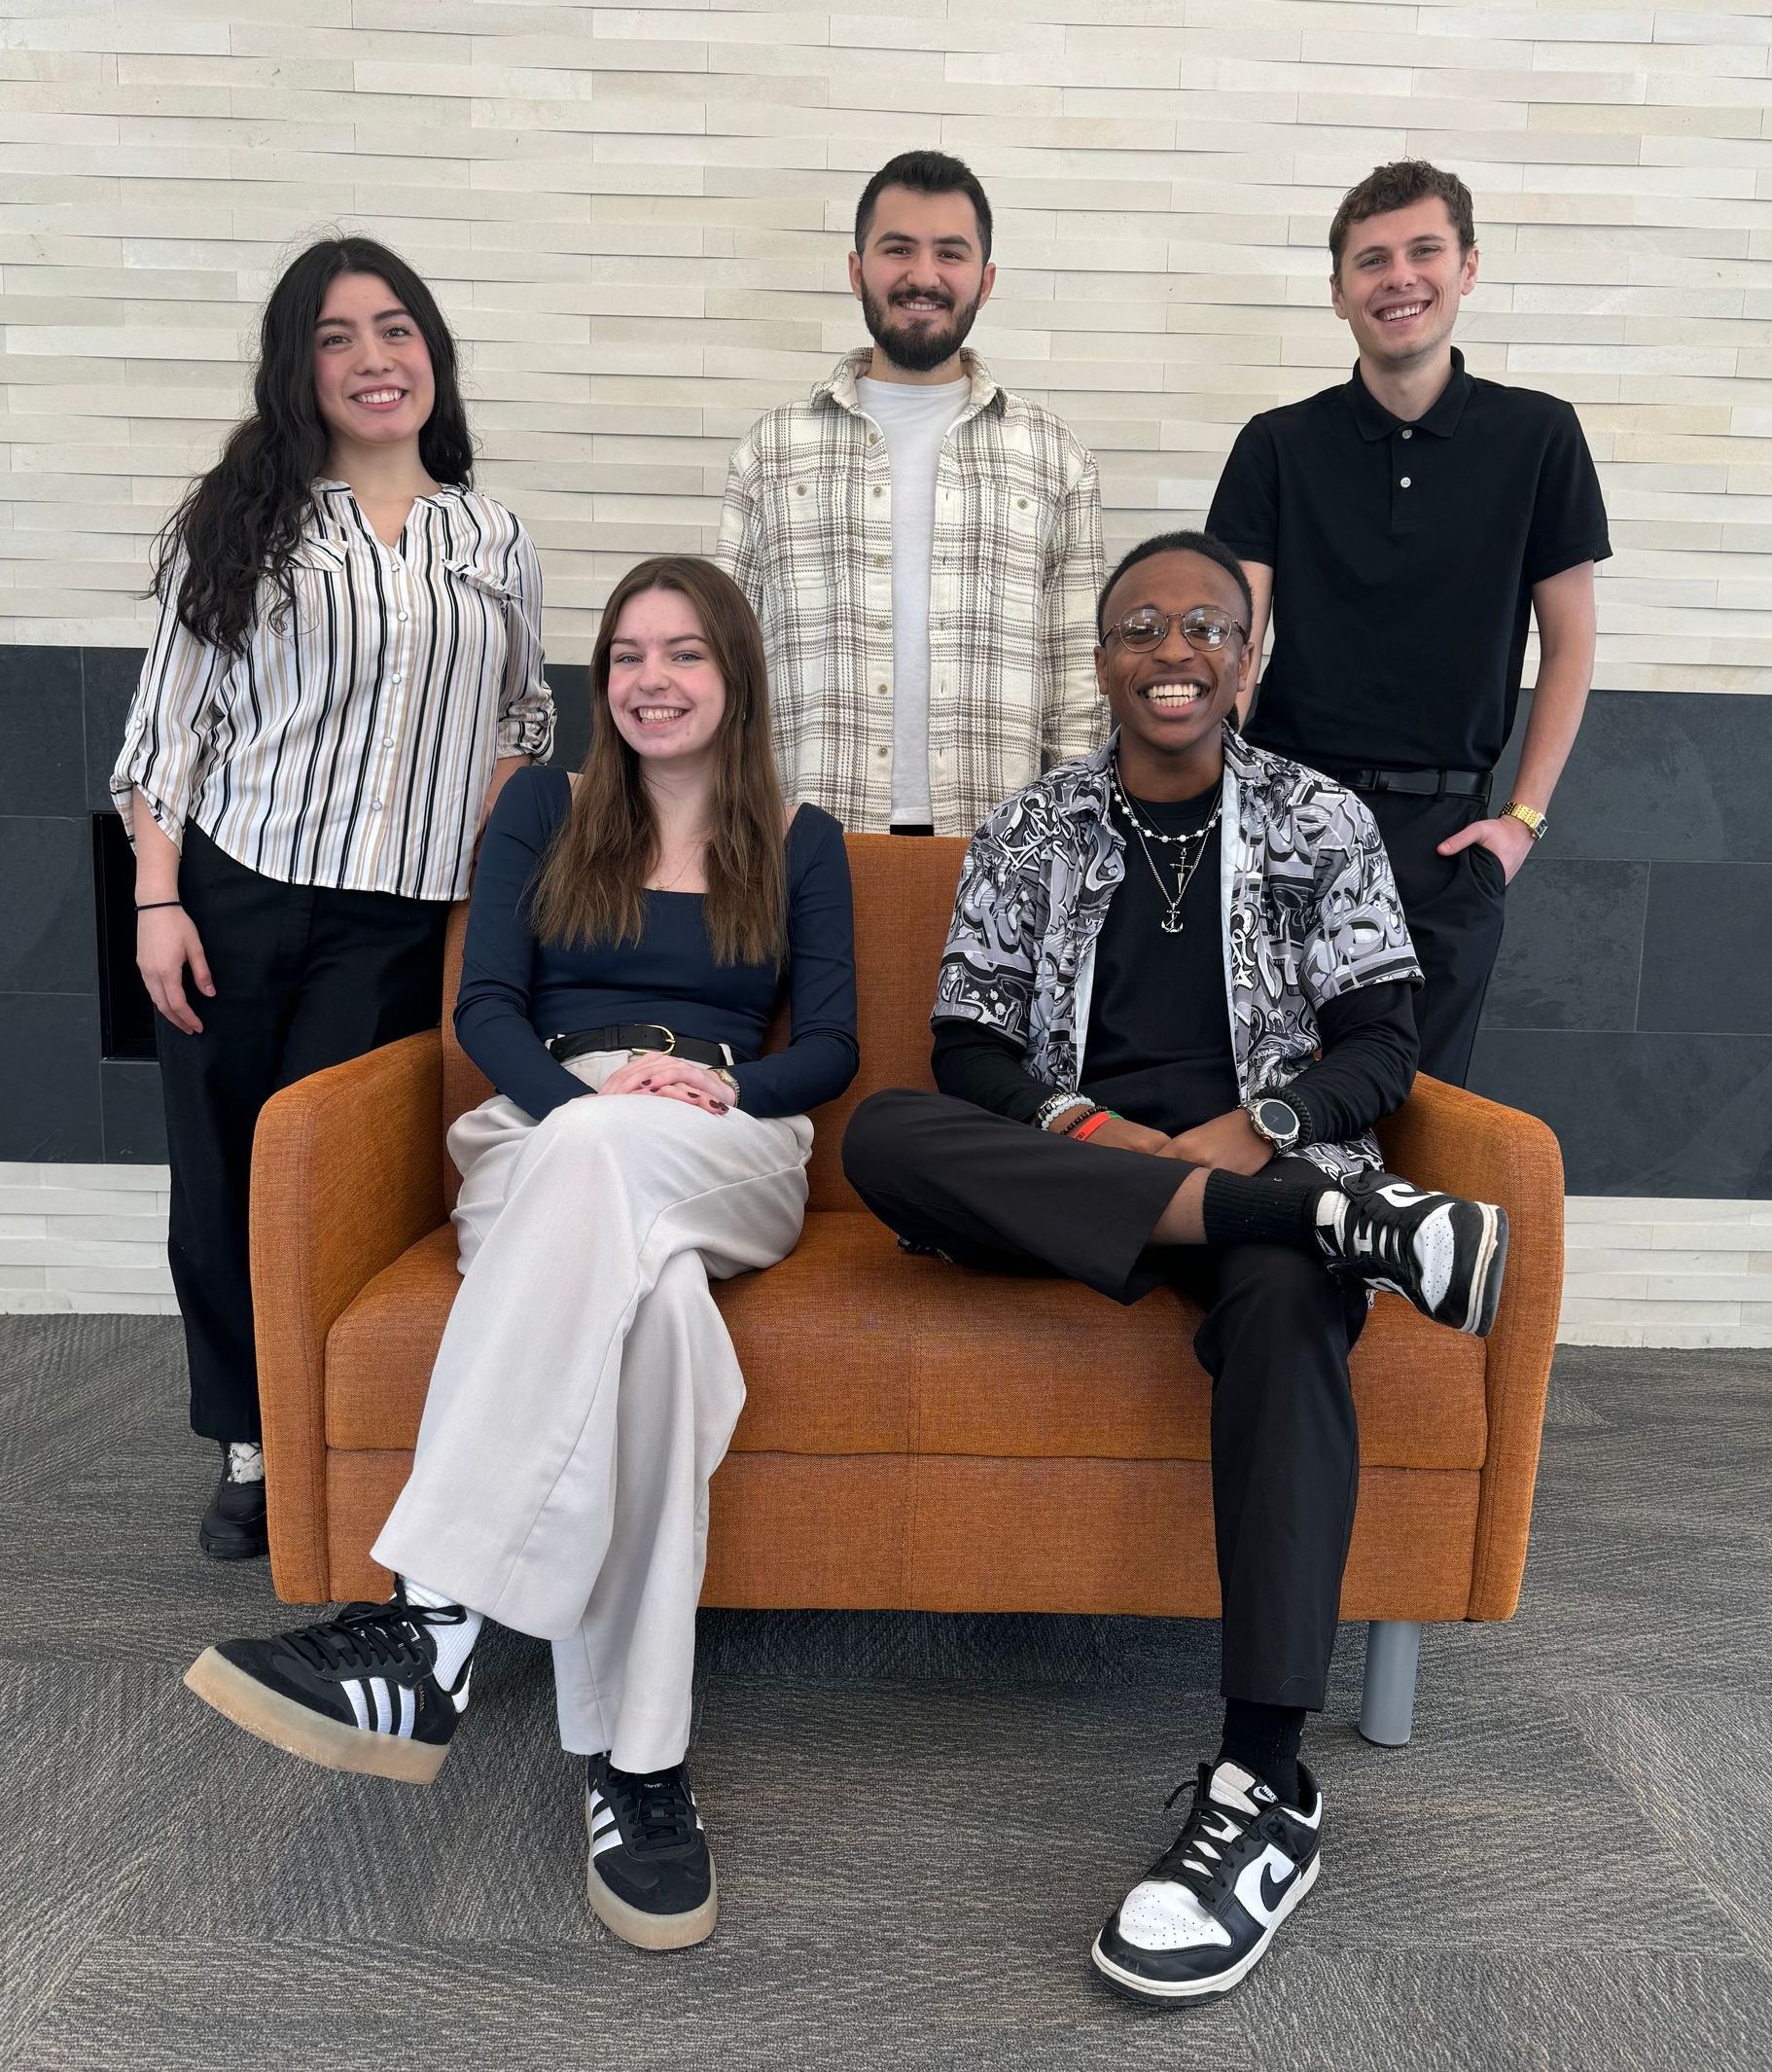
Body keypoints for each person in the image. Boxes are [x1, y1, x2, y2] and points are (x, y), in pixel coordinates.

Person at [841, 531, 1510, 2005]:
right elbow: (965, 1046)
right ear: (1101, 661)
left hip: (1261, 1168)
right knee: (885, 1134)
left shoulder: (1315, 818)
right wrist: (1101, 1138)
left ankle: (1262, 1787)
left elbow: (1382, 1041)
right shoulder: (1033, 827)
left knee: (1284, 1317)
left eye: (1205, 626)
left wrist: (1251, 1134)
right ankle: (1338, 1226)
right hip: (1071, 1183)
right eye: (1141, 625)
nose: (1173, 649)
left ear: (1244, 660)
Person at [183, 555, 859, 1952]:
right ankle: (640, 1765)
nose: (651, 680)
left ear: (733, 675)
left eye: (682, 653)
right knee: (659, 1325)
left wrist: (725, 1093)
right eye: (625, 655)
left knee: (632, 1193)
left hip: (725, 1135)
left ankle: (430, 1625)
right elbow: (484, 1009)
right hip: (548, 1126)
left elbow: (833, 1047)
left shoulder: (798, 836)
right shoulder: (542, 808)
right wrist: (583, 1113)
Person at [112, 237, 553, 1559]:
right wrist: (155, 897)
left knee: (335, 1188)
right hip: (236, 894)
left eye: (397, 329)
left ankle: (340, 1420)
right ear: (299, 367)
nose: (375, 359)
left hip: (395, 922)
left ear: (434, 354)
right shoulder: (243, 520)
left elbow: (522, 710)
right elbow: (166, 732)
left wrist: (485, 841)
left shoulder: (494, 537)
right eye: (338, 336)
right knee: (228, 1177)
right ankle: (252, 1436)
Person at [1207, 160, 1611, 1085]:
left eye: (1424, 251)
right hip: (1287, 822)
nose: (1399, 277)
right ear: (1340, 292)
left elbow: (1572, 641)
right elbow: (1236, 635)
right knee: (1275, 1107)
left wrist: (1522, 824)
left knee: (1421, 1124)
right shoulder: (1277, 444)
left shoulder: (1540, 437)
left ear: (1467, 267)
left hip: (1449, 838)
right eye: (1371, 260)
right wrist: (1225, 815)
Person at [718, 148, 1104, 836]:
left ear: (985, 281)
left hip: (998, 845)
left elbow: (1077, 693)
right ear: (856, 269)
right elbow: (724, 665)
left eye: (949, 254)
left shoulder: (1054, 458)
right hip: (802, 838)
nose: (922, 276)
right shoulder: (771, 452)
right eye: (898, 249)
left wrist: (1067, 843)